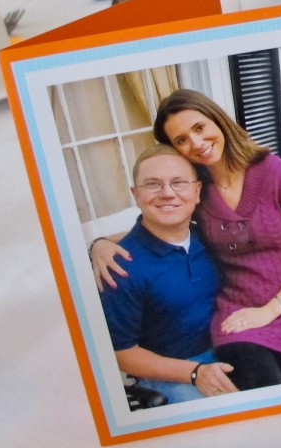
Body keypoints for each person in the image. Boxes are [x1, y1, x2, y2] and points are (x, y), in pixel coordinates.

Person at [94, 89, 281, 390]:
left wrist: (271, 310)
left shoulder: (279, 175)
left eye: (199, 128)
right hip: (238, 311)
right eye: (181, 140)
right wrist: (100, 244)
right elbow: (156, 223)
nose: (196, 143)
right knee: (258, 387)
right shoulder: (198, 192)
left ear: (217, 121)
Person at [99, 144, 238, 405]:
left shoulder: (209, 237)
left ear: (197, 191)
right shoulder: (120, 266)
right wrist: (195, 373)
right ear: (136, 194)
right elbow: (121, 352)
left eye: (178, 183)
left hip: (233, 348)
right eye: (152, 184)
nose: (167, 193)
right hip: (173, 372)